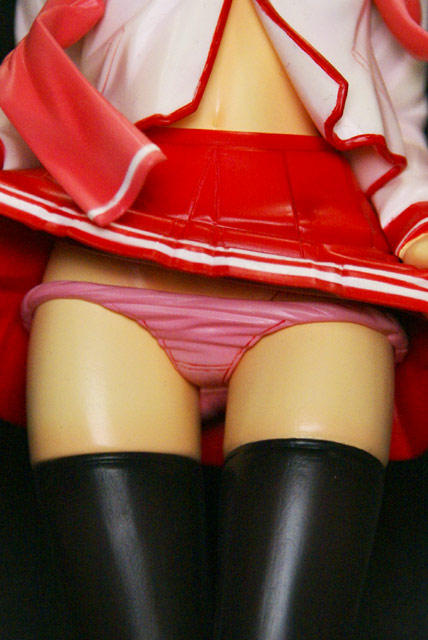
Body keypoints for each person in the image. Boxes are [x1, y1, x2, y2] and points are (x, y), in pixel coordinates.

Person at [1, 1, 428, 638]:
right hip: (113, 252)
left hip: (317, 264)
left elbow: (396, 104)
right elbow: (33, 82)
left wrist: (415, 219)